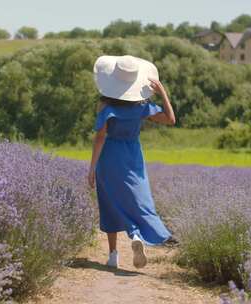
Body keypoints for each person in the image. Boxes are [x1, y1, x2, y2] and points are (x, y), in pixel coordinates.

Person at [87, 55, 178, 269]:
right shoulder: (141, 109)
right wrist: (162, 92)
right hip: (133, 156)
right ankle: (136, 234)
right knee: (140, 201)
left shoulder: (107, 109)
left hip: (109, 157)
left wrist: (92, 168)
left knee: (109, 202)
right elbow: (170, 119)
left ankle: (113, 255)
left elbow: (99, 138)